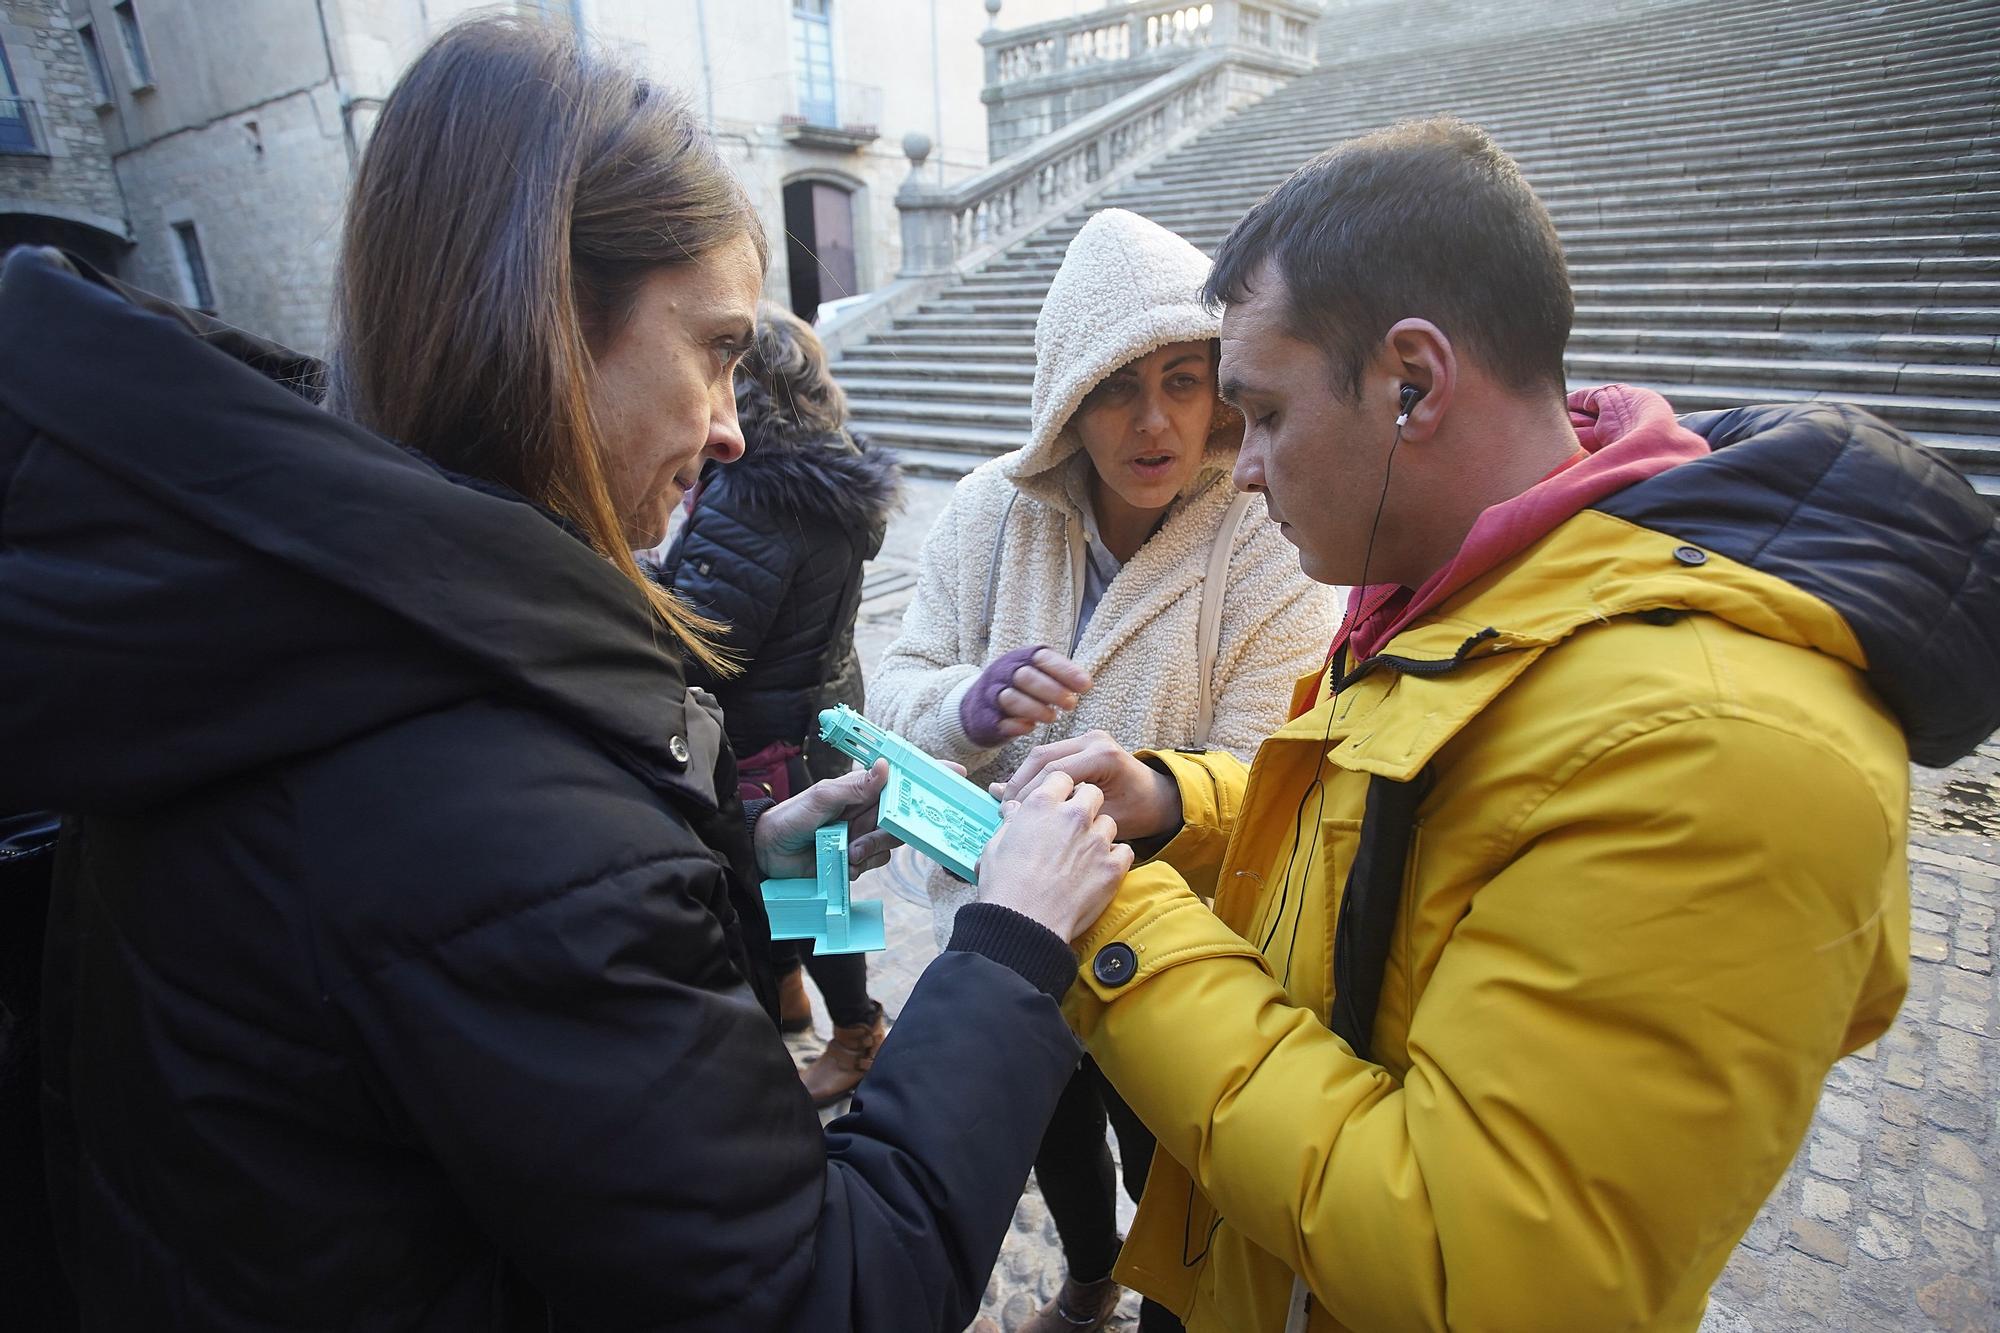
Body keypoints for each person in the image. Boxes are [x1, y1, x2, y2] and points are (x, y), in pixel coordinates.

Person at [0, 19, 1135, 1331]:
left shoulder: (294, 636)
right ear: (543, 322)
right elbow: (827, 1295)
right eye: (710, 348)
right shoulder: (479, 796)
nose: (726, 422)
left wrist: (743, 875)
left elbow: (502, 1020)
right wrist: (1009, 947)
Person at [1000, 118, 2000, 1331]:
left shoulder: (1717, 747)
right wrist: (1172, 802)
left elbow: (1476, 1267)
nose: (1242, 467)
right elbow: (1394, 831)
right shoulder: (1455, 581)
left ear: (1409, 383)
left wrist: (1112, 915)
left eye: (1258, 415)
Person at [871, 207, 1340, 1333]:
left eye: (1186, 380)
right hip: (1004, 920)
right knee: (1046, 1128)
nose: (1155, 421)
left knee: (1167, 1155)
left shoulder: (1265, 527)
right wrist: (962, 702)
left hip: (1171, 949)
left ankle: (1160, 1298)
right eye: (1117, 387)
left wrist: (1149, 787)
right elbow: (894, 685)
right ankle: (1087, 1278)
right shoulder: (989, 510)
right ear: (1066, 399)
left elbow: (1265, 770)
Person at [656, 302, 901, 1107]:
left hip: (770, 737)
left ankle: (860, 1032)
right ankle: (799, 997)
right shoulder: (822, 476)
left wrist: (635, 588)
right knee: (816, 885)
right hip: (819, 715)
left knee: (809, 894)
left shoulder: (756, 494)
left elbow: (707, 636)